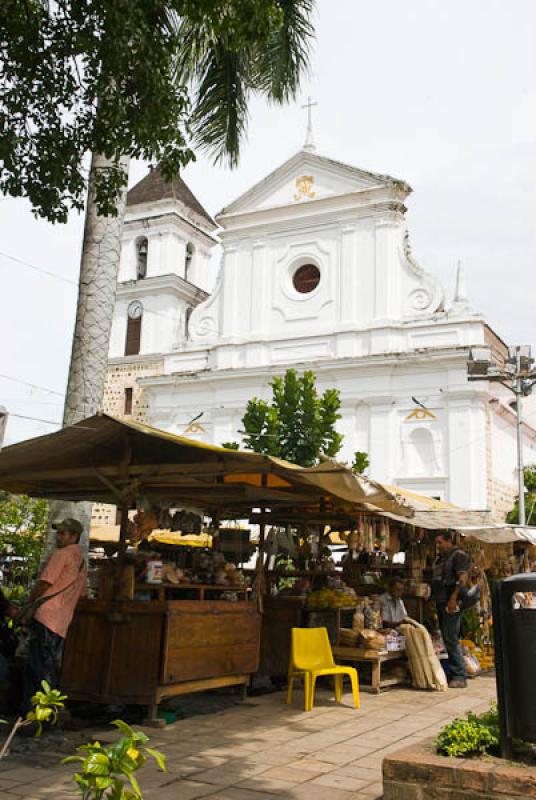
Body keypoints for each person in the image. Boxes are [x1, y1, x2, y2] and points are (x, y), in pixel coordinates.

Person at [21, 518, 87, 714]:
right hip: (61, 622)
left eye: (63, 533)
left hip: (46, 618)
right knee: (46, 666)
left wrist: (28, 604)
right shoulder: (82, 561)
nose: (58, 537)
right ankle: (48, 712)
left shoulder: (62, 554)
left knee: (37, 669)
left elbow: (44, 583)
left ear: (74, 536)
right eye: (58, 533)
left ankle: (35, 714)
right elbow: (83, 593)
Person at [431, 530, 471, 689]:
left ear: (449, 541)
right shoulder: (441, 558)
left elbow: (462, 578)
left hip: (451, 603)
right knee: (447, 638)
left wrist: (453, 599)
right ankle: (455, 672)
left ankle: (460, 676)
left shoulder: (459, 556)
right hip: (441, 602)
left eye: (440, 542)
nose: (438, 546)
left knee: (450, 637)